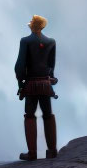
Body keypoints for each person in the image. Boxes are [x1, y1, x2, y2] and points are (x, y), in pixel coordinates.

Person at [15, 15, 58, 160]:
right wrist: (51, 78)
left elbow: (20, 65)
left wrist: (20, 84)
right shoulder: (51, 42)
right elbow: (51, 66)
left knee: (29, 116)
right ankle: (52, 151)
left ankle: (32, 153)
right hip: (46, 84)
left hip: (31, 84)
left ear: (32, 27)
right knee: (48, 114)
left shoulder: (25, 41)